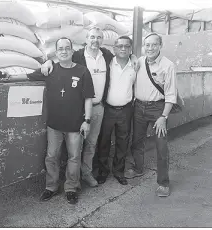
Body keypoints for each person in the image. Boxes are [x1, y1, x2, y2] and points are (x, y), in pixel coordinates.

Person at [7, 37, 95, 204]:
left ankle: (71, 187)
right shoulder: (50, 70)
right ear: (55, 52)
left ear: (72, 50)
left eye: (67, 48)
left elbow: (88, 98)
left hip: (75, 125)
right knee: (51, 156)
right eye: (60, 48)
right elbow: (27, 76)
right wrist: (6, 76)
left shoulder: (83, 71)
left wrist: (87, 121)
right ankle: (51, 187)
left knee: (74, 157)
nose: (63, 51)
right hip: (54, 125)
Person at [41, 27, 113, 188]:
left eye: (99, 37)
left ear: (102, 40)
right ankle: (61, 183)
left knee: (91, 144)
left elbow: (124, 56)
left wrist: (134, 56)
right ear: (86, 39)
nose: (95, 40)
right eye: (92, 37)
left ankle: (85, 174)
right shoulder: (79, 55)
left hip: (98, 107)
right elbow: (62, 58)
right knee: (68, 152)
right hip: (78, 111)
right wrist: (47, 61)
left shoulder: (107, 55)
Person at [125, 32, 177, 197]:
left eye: (154, 44)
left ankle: (163, 183)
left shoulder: (168, 66)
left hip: (158, 109)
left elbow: (171, 95)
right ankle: (138, 168)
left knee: (161, 147)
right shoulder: (139, 61)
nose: (150, 48)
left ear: (160, 46)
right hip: (138, 107)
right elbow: (129, 56)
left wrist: (164, 117)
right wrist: (133, 55)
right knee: (137, 141)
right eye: (147, 45)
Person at [96, 36, 136, 185]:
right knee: (104, 141)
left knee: (123, 142)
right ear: (114, 48)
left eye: (126, 46)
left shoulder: (135, 66)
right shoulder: (108, 63)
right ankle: (103, 171)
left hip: (126, 110)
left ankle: (119, 171)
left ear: (131, 49)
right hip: (108, 109)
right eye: (120, 46)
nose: (123, 49)